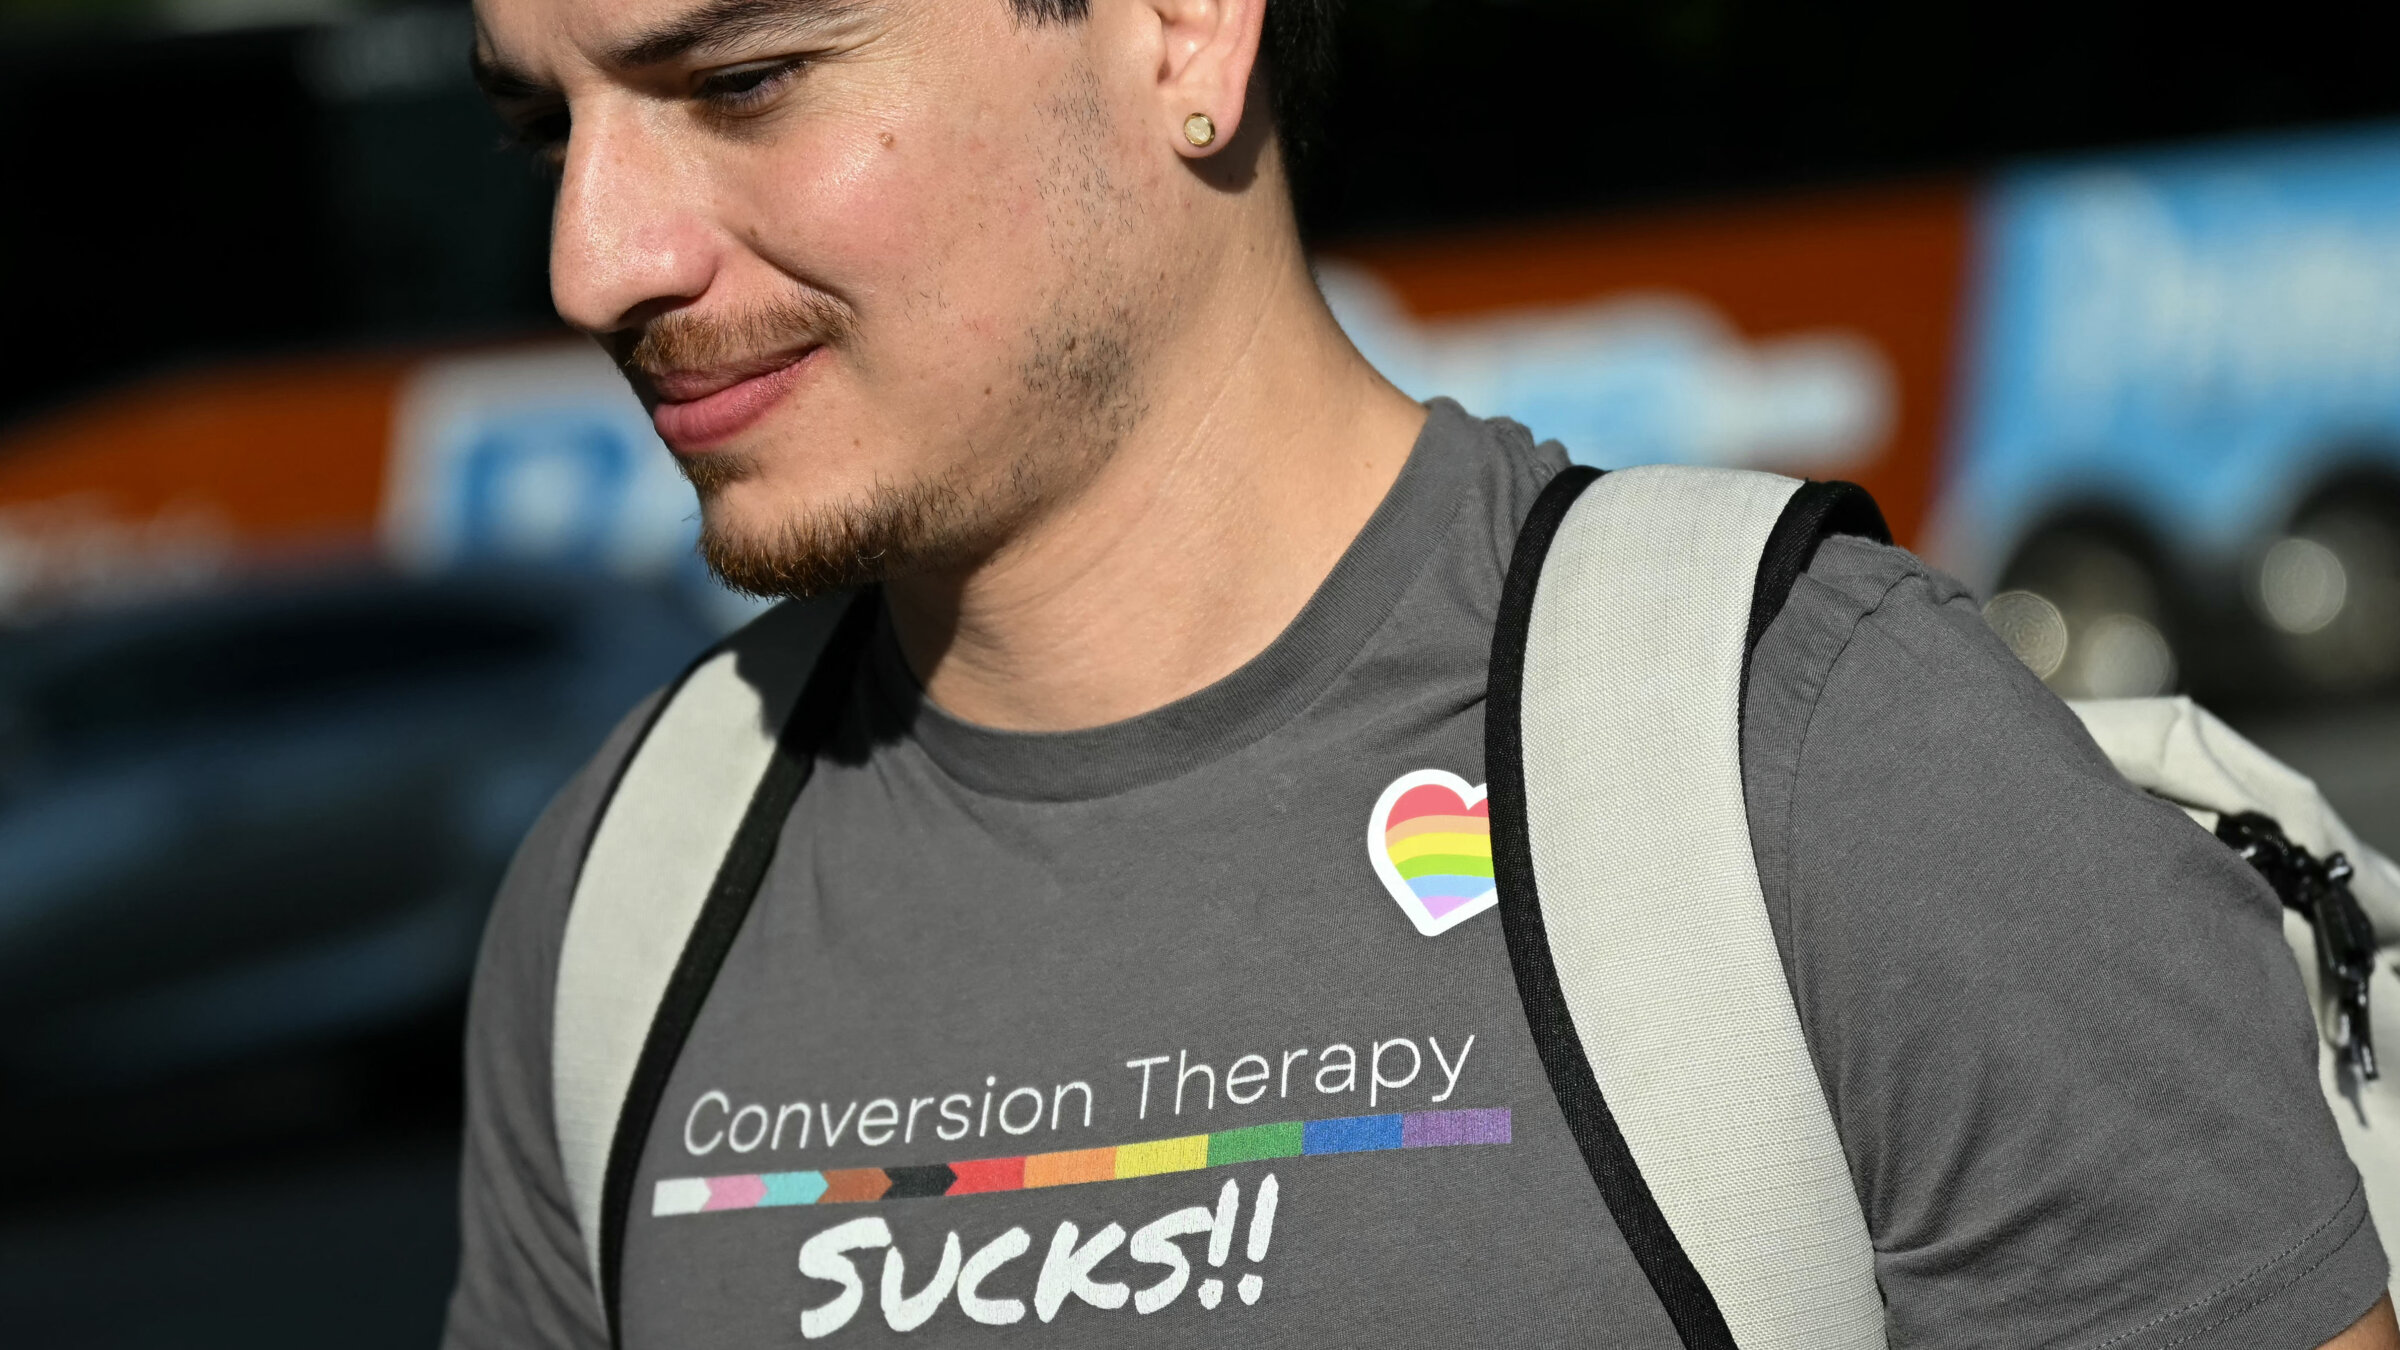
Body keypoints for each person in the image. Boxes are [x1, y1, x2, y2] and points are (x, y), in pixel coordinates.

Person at [445, 0, 2399, 1346]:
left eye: (743, 80)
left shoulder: (1822, 755)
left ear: (1180, 30)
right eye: (545, 125)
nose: (592, 257)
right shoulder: (621, 902)